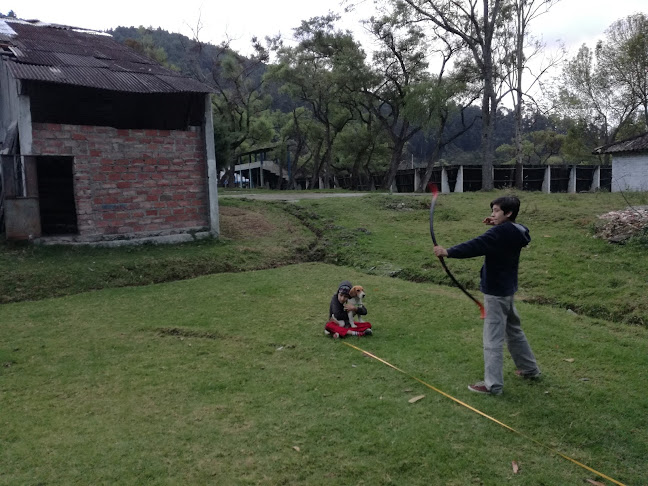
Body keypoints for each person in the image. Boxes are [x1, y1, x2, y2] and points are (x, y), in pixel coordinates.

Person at [433, 195, 540, 395]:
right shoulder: (517, 231)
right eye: (493, 210)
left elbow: (475, 245)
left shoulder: (499, 233)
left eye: (497, 211)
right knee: (514, 331)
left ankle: (493, 385)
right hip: (507, 290)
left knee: (492, 339)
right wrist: (496, 224)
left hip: (496, 292)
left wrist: (447, 252)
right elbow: (519, 228)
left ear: (508, 213)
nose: (492, 214)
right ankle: (529, 369)